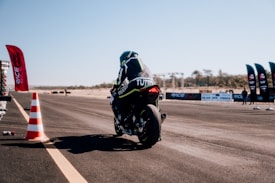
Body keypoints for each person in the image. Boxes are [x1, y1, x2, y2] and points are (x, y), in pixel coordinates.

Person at [111, 51, 155, 126]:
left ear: (125, 57)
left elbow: (119, 80)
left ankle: (123, 118)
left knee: (117, 96)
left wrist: (115, 87)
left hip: (135, 84)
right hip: (151, 84)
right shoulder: (145, 65)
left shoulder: (127, 63)